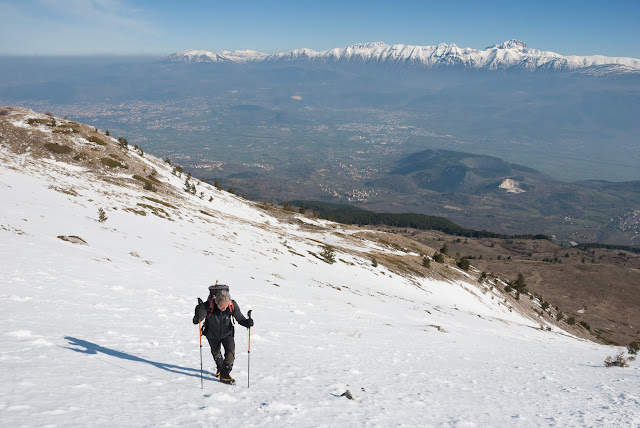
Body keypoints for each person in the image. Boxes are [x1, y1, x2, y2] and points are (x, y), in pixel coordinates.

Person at [193, 285, 253, 385]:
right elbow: (196, 321)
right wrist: (198, 314)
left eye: (226, 306)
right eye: (222, 306)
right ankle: (220, 369)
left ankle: (224, 375)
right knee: (216, 353)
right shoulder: (207, 306)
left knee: (230, 354)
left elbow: (240, 318)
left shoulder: (232, 305)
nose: (224, 308)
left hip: (227, 333)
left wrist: (247, 322)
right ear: (216, 301)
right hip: (212, 334)